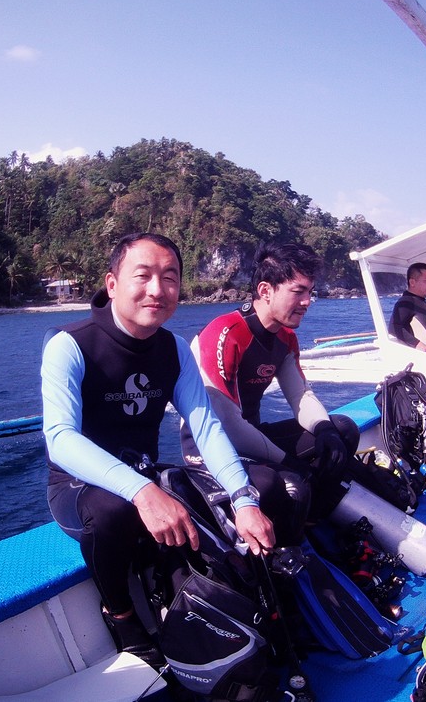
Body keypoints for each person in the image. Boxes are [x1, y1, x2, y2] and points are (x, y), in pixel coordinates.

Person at [42, 233, 275, 668]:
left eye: (169, 277)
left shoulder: (173, 349)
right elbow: (60, 438)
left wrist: (244, 499)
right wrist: (141, 491)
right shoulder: (69, 344)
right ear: (112, 284)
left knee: (263, 482)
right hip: (79, 486)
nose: (157, 289)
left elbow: (205, 427)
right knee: (113, 509)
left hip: (144, 473)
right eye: (143, 276)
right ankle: (121, 614)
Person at [181, 242, 359, 522]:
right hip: (211, 448)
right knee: (288, 484)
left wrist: (326, 431)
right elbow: (227, 423)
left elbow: (300, 395)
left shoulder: (285, 337)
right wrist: (288, 463)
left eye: (310, 292)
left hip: (252, 435)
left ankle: (316, 518)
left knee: (343, 431)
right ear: (265, 290)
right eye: (298, 292)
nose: (307, 302)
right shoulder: (225, 333)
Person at [389, 262, 426, 351]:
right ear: (412, 282)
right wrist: (418, 344)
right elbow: (393, 328)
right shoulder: (406, 302)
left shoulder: (420, 301)